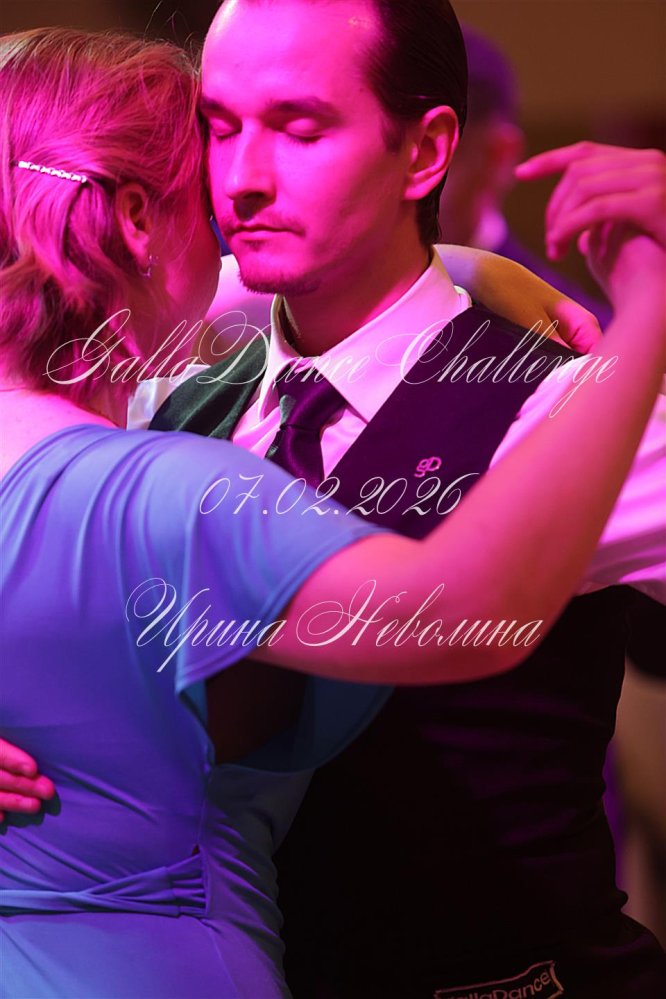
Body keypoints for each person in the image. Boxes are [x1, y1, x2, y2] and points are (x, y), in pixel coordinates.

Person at [2, 26, 663, 999]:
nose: (242, 182)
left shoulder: (568, 402)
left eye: (300, 129)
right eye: (219, 130)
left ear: (426, 152)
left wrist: (483, 271)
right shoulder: (157, 404)